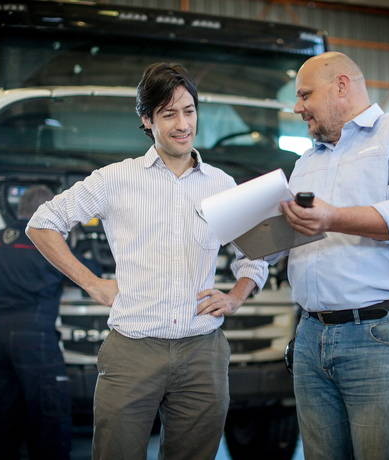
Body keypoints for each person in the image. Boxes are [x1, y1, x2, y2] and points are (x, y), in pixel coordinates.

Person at [26, 63, 268, 460]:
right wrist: (93, 283)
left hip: (203, 350)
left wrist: (237, 295)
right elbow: (42, 224)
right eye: (168, 113)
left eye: (188, 110)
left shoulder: (222, 186)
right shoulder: (114, 180)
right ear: (146, 119)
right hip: (133, 349)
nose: (182, 123)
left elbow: (254, 253)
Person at [280, 51, 389, 460]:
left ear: (341, 86)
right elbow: (295, 234)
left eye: (305, 95)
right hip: (311, 335)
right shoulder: (306, 161)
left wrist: (332, 217)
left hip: (379, 334)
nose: (298, 107)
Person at [0, 185, 71, 460]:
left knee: (2, 410)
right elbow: (86, 272)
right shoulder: (46, 242)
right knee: (48, 412)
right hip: (35, 336)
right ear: (46, 211)